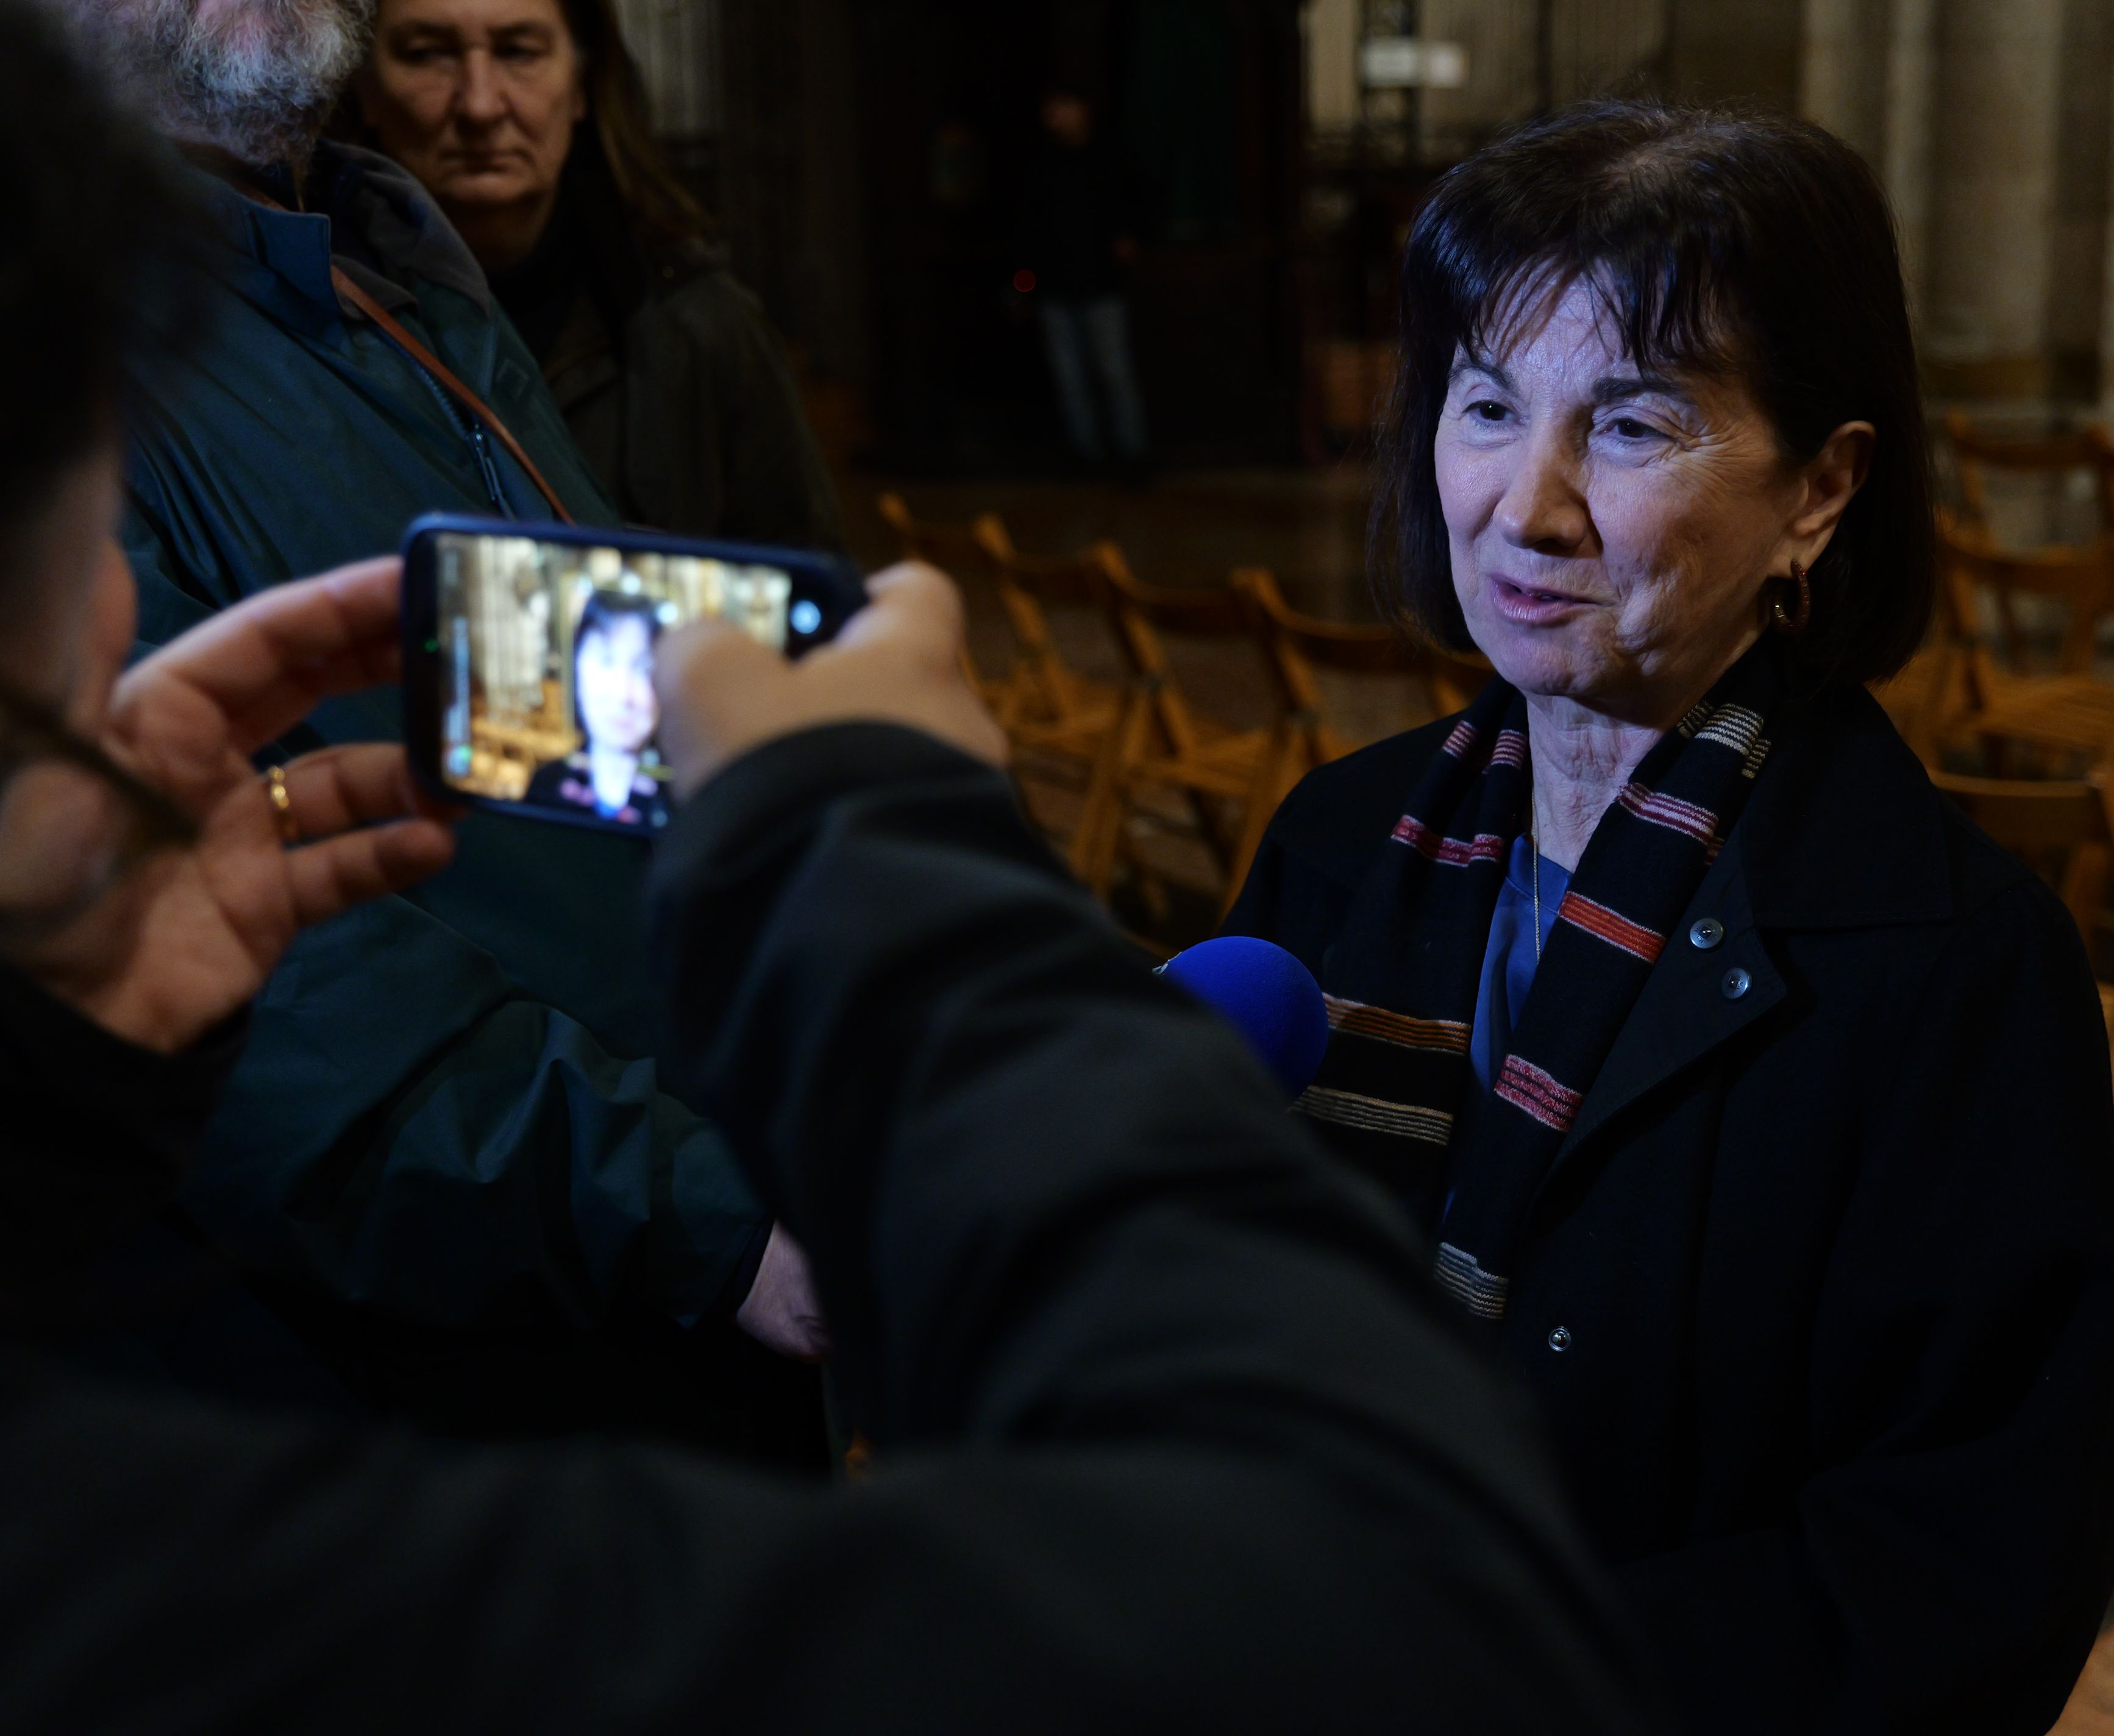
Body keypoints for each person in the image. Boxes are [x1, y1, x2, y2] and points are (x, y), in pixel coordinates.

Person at [0, 14, 1662, 1724]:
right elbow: (1404, 1585)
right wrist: (915, 918)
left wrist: (87, 1071)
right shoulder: (183, 1562)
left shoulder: (381, 255)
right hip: (468, 1343)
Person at [1223, 101, 2114, 1734]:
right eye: (1486, 405)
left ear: (1819, 490)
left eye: (1631, 426)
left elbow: (1962, 1570)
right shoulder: (1341, 842)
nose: (1528, 505)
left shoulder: (1946, 963)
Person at [69, 0, 825, 1443]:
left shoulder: (375, 262)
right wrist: (706, 1212)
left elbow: (589, 756)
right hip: (407, 1396)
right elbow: (237, 978)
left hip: (660, 1287)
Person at [352, 0, 847, 551]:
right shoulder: (312, 329)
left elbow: (807, 579)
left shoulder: (701, 328)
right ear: (364, 85)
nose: (481, 105)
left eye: (519, 52)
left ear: (580, 84)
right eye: (427, 54)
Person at [1017, 90, 1150, 476]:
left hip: (1100, 284)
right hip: (1055, 287)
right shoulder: (1042, 164)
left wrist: (1129, 238)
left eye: (1062, 108)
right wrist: (1025, 285)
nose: (1054, 117)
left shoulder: (1109, 159)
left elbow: (1134, 207)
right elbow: (1028, 229)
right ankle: (1086, 455)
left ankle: (1131, 454)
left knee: (1114, 373)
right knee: (1069, 379)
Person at [525, 589, 673, 828]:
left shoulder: (685, 804)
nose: (623, 694)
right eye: (606, 661)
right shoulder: (546, 789)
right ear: (577, 669)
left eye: (643, 668)